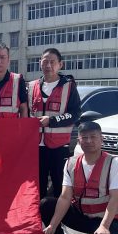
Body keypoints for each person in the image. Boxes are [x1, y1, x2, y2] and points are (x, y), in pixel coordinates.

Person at [41, 120, 118, 234]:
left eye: (93, 137)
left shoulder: (114, 162)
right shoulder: (70, 163)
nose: (89, 141)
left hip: (104, 219)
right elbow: (65, 197)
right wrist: (52, 226)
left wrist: (104, 226)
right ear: (79, 141)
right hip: (81, 216)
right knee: (46, 204)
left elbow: (115, 198)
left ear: (101, 139)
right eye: (84, 137)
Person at [29, 48, 81, 198]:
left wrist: (51, 121)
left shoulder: (68, 86)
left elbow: (75, 114)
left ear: (60, 64)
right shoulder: (32, 86)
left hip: (59, 146)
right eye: (45, 62)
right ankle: (39, 214)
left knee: (59, 186)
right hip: (36, 146)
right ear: (40, 63)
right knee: (37, 188)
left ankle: (58, 214)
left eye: (52, 62)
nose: (48, 65)